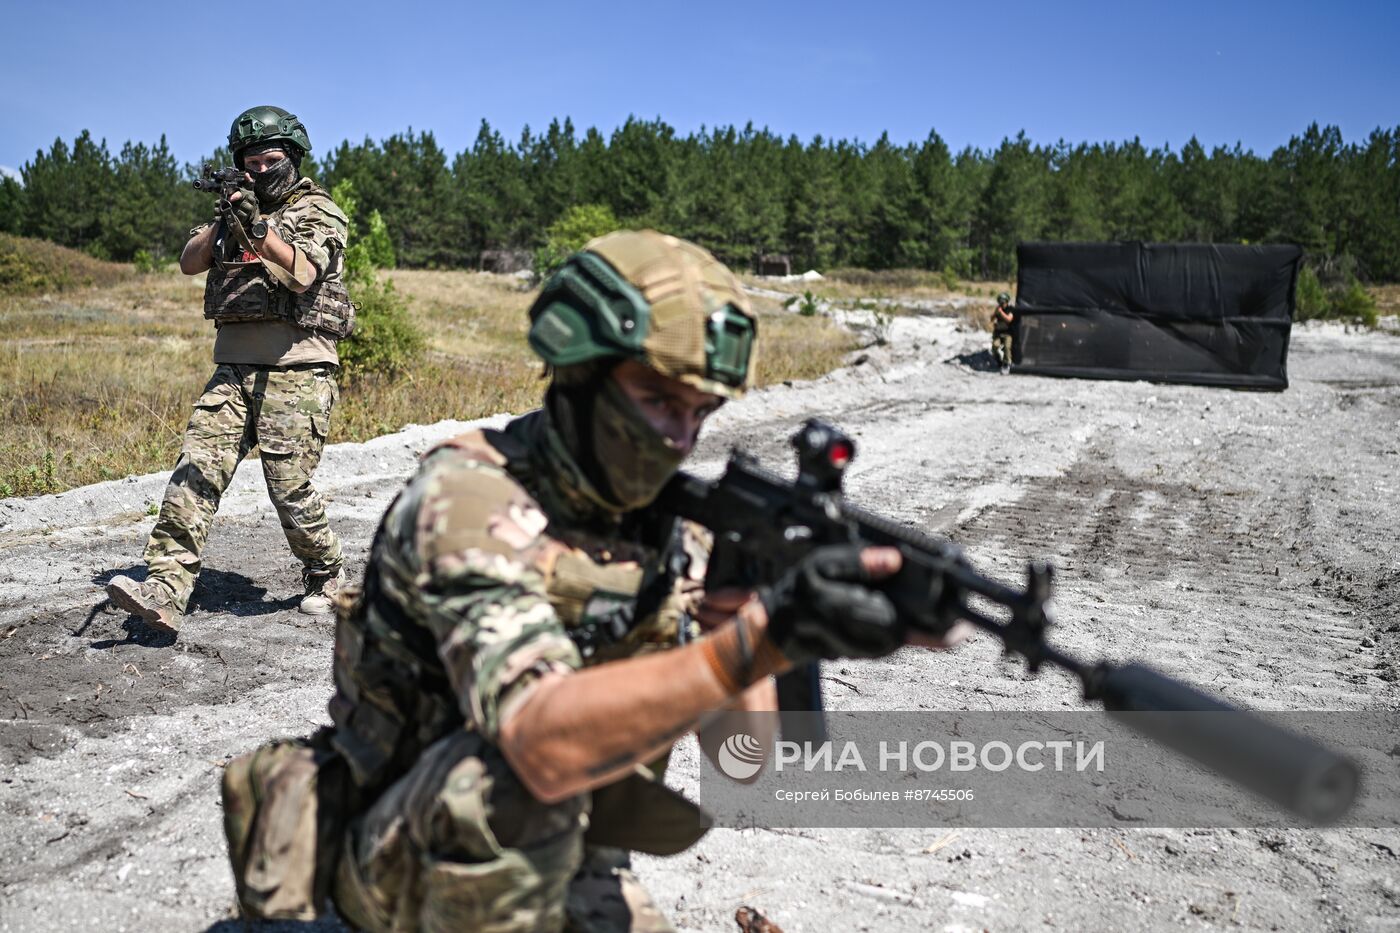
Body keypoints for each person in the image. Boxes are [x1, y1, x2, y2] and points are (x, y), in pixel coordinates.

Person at [221, 231, 957, 931]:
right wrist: (747, 646)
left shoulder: (663, 525)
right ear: (582, 373)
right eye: (658, 399)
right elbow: (538, 740)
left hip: (564, 852)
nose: (680, 437)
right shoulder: (468, 500)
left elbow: (746, 755)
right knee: (507, 782)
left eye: (701, 411)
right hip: (405, 845)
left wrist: (765, 630)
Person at [106, 106, 355, 635]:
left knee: (289, 485)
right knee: (195, 471)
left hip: (299, 367)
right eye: (250, 162)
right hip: (233, 366)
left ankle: (326, 571)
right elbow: (189, 261)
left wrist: (259, 226)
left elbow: (304, 271)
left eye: (270, 160)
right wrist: (227, 218)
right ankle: (165, 590)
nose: (260, 171)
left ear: (292, 157)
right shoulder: (230, 215)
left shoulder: (320, 211)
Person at [990, 290, 1014, 373]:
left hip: (1007, 333)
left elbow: (1009, 319)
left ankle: (1006, 364)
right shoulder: (998, 309)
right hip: (998, 333)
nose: (1002, 304)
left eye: (1003, 302)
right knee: (994, 346)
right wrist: (995, 313)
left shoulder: (1010, 309)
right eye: (1001, 302)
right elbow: (992, 319)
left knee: (1007, 348)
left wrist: (1001, 313)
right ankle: (998, 361)